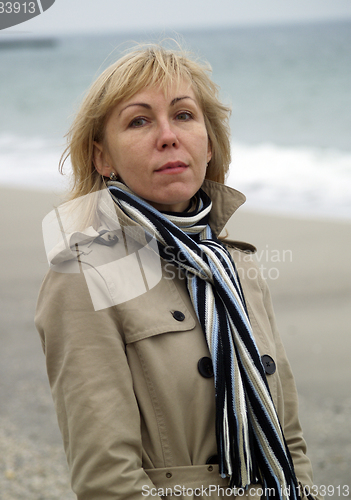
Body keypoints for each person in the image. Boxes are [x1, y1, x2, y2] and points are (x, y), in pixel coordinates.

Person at [35, 44, 322, 500]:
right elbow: (106, 480)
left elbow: (290, 441)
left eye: (184, 115)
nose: (168, 136)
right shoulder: (86, 275)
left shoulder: (239, 267)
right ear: (102, 158)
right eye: (139, 120)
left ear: (208, 144)